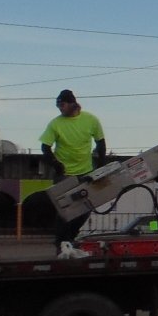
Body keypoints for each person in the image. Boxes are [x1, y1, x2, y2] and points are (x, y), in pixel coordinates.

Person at [40, 89, 108, 258]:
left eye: (62, 105)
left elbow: (100, 142)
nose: (60, 109)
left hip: (85, 171)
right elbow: (45, 147)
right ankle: (60, 242)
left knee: (85, 207)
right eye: (58, 106)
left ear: (72, 103)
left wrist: (101, 165)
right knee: (65, 209)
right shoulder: (55, 123)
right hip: (65, 173)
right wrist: (56, 164)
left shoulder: (90, 120)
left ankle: (71, 237)